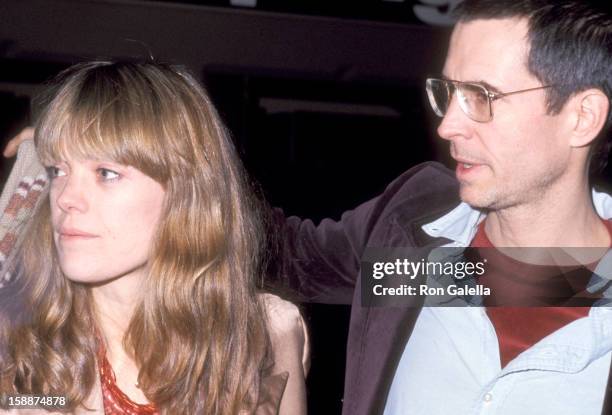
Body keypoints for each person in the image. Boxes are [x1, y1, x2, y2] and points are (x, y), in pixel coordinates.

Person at [261, 0, 612, 414]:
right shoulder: (412, 234)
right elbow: (283, 255)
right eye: (449, 92)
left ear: (582, 118)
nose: (448, 125)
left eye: (482, 96)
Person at [0, 61, 308, 414]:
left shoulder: (264, 336)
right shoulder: (20, 346)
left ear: (185, 193)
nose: (66, 197)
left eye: (106, 173)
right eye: (57, 170)